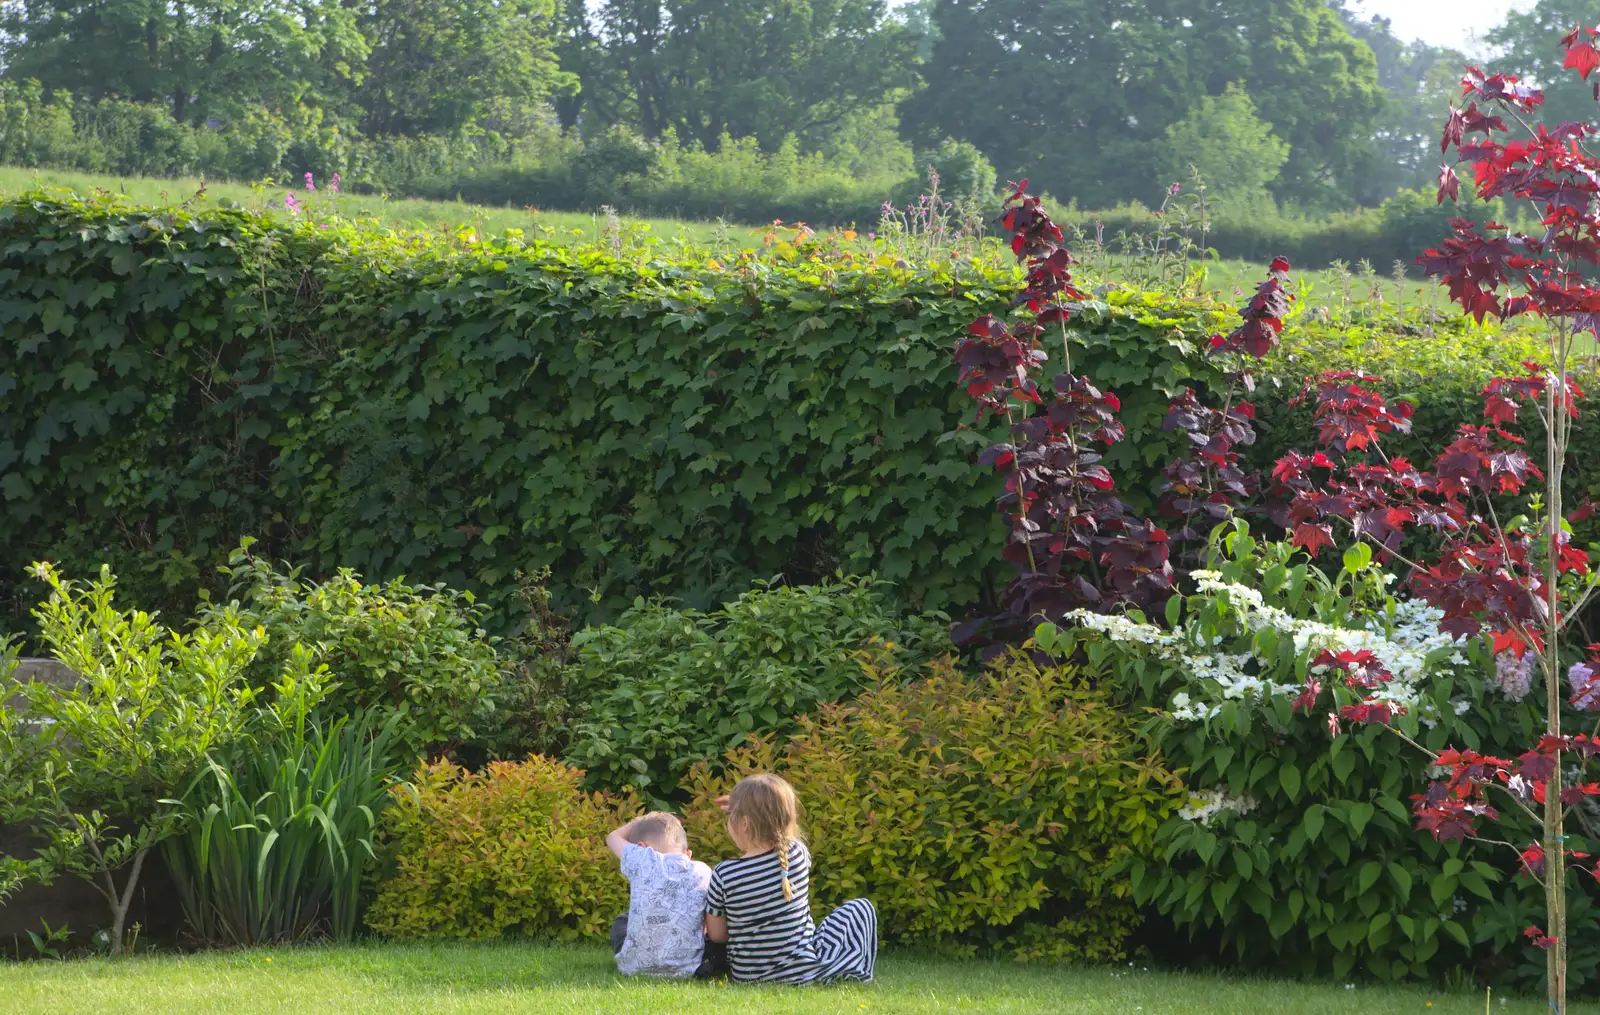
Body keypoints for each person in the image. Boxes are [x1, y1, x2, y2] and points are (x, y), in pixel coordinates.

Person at [704, 773, 877, 984]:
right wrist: (752, 805)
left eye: (730, 816)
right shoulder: (797, 854)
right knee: (860, 908)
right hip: (802, 973)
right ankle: (854, 971)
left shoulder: (724, 873)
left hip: (748, 978)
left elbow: (717, 935)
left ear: (744, 823)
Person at [605, 811, 726, 978]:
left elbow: (612, 837)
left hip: (634, 968)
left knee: (621, 921)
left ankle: (632, 957)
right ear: (688, 855)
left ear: (640, 848)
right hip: (689, 969)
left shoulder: (642, 859)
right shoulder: (702, 870)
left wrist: (638, 820)